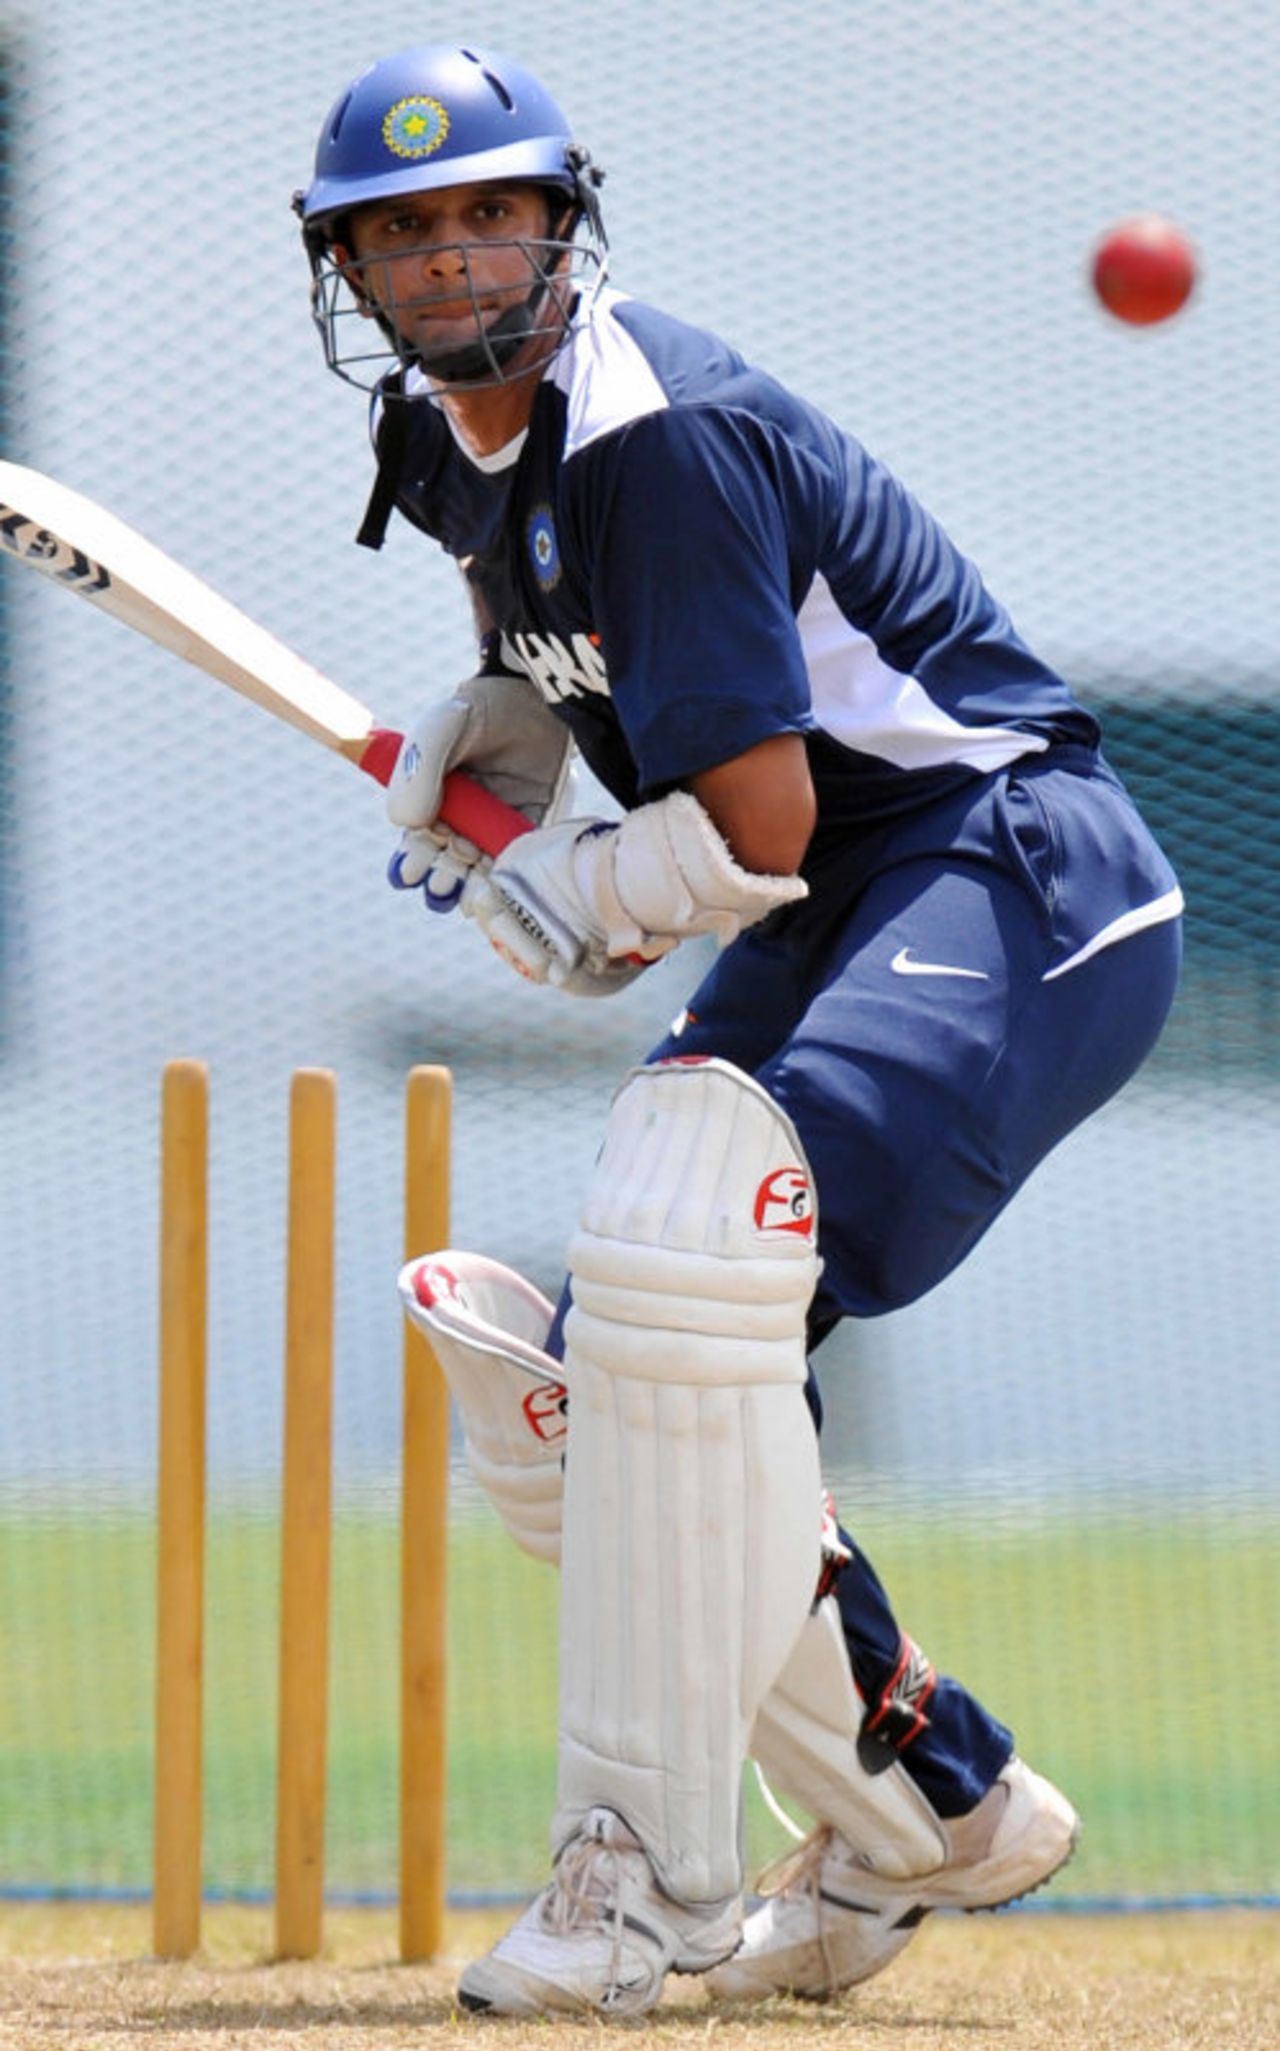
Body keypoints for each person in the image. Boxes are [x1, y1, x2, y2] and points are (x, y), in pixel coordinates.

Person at [296, 43, 1183, 2018]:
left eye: (485, 213)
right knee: (612, 1375)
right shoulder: (448, 437)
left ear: (555, 225)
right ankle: (931, 1811)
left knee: (692, 1250)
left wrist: (589, 890)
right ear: (349, 263)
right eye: (402, 228)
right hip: (833, 893)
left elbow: (758, 817)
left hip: (1005, 864)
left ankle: (651, 1888)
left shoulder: (655, 435)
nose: (449, 255)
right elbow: (567, 665)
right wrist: (508, 751)